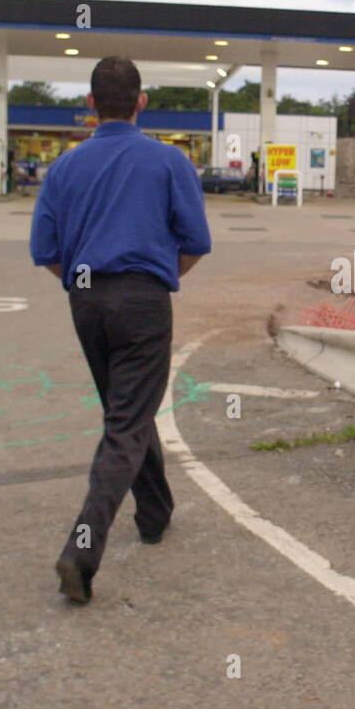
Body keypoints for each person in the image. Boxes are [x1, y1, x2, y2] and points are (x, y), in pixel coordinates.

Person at [29, 56, 212, 604]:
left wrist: (86, 285)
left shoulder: (64, 167)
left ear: (89, 104)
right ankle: (81, 551)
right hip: (144, 300)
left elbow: (46, 251)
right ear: (141, 102)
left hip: (86, 300)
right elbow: (195, 243)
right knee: (128, 420)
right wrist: (151, 280)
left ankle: (155, 513)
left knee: (126, 412)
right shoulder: (168, 161)